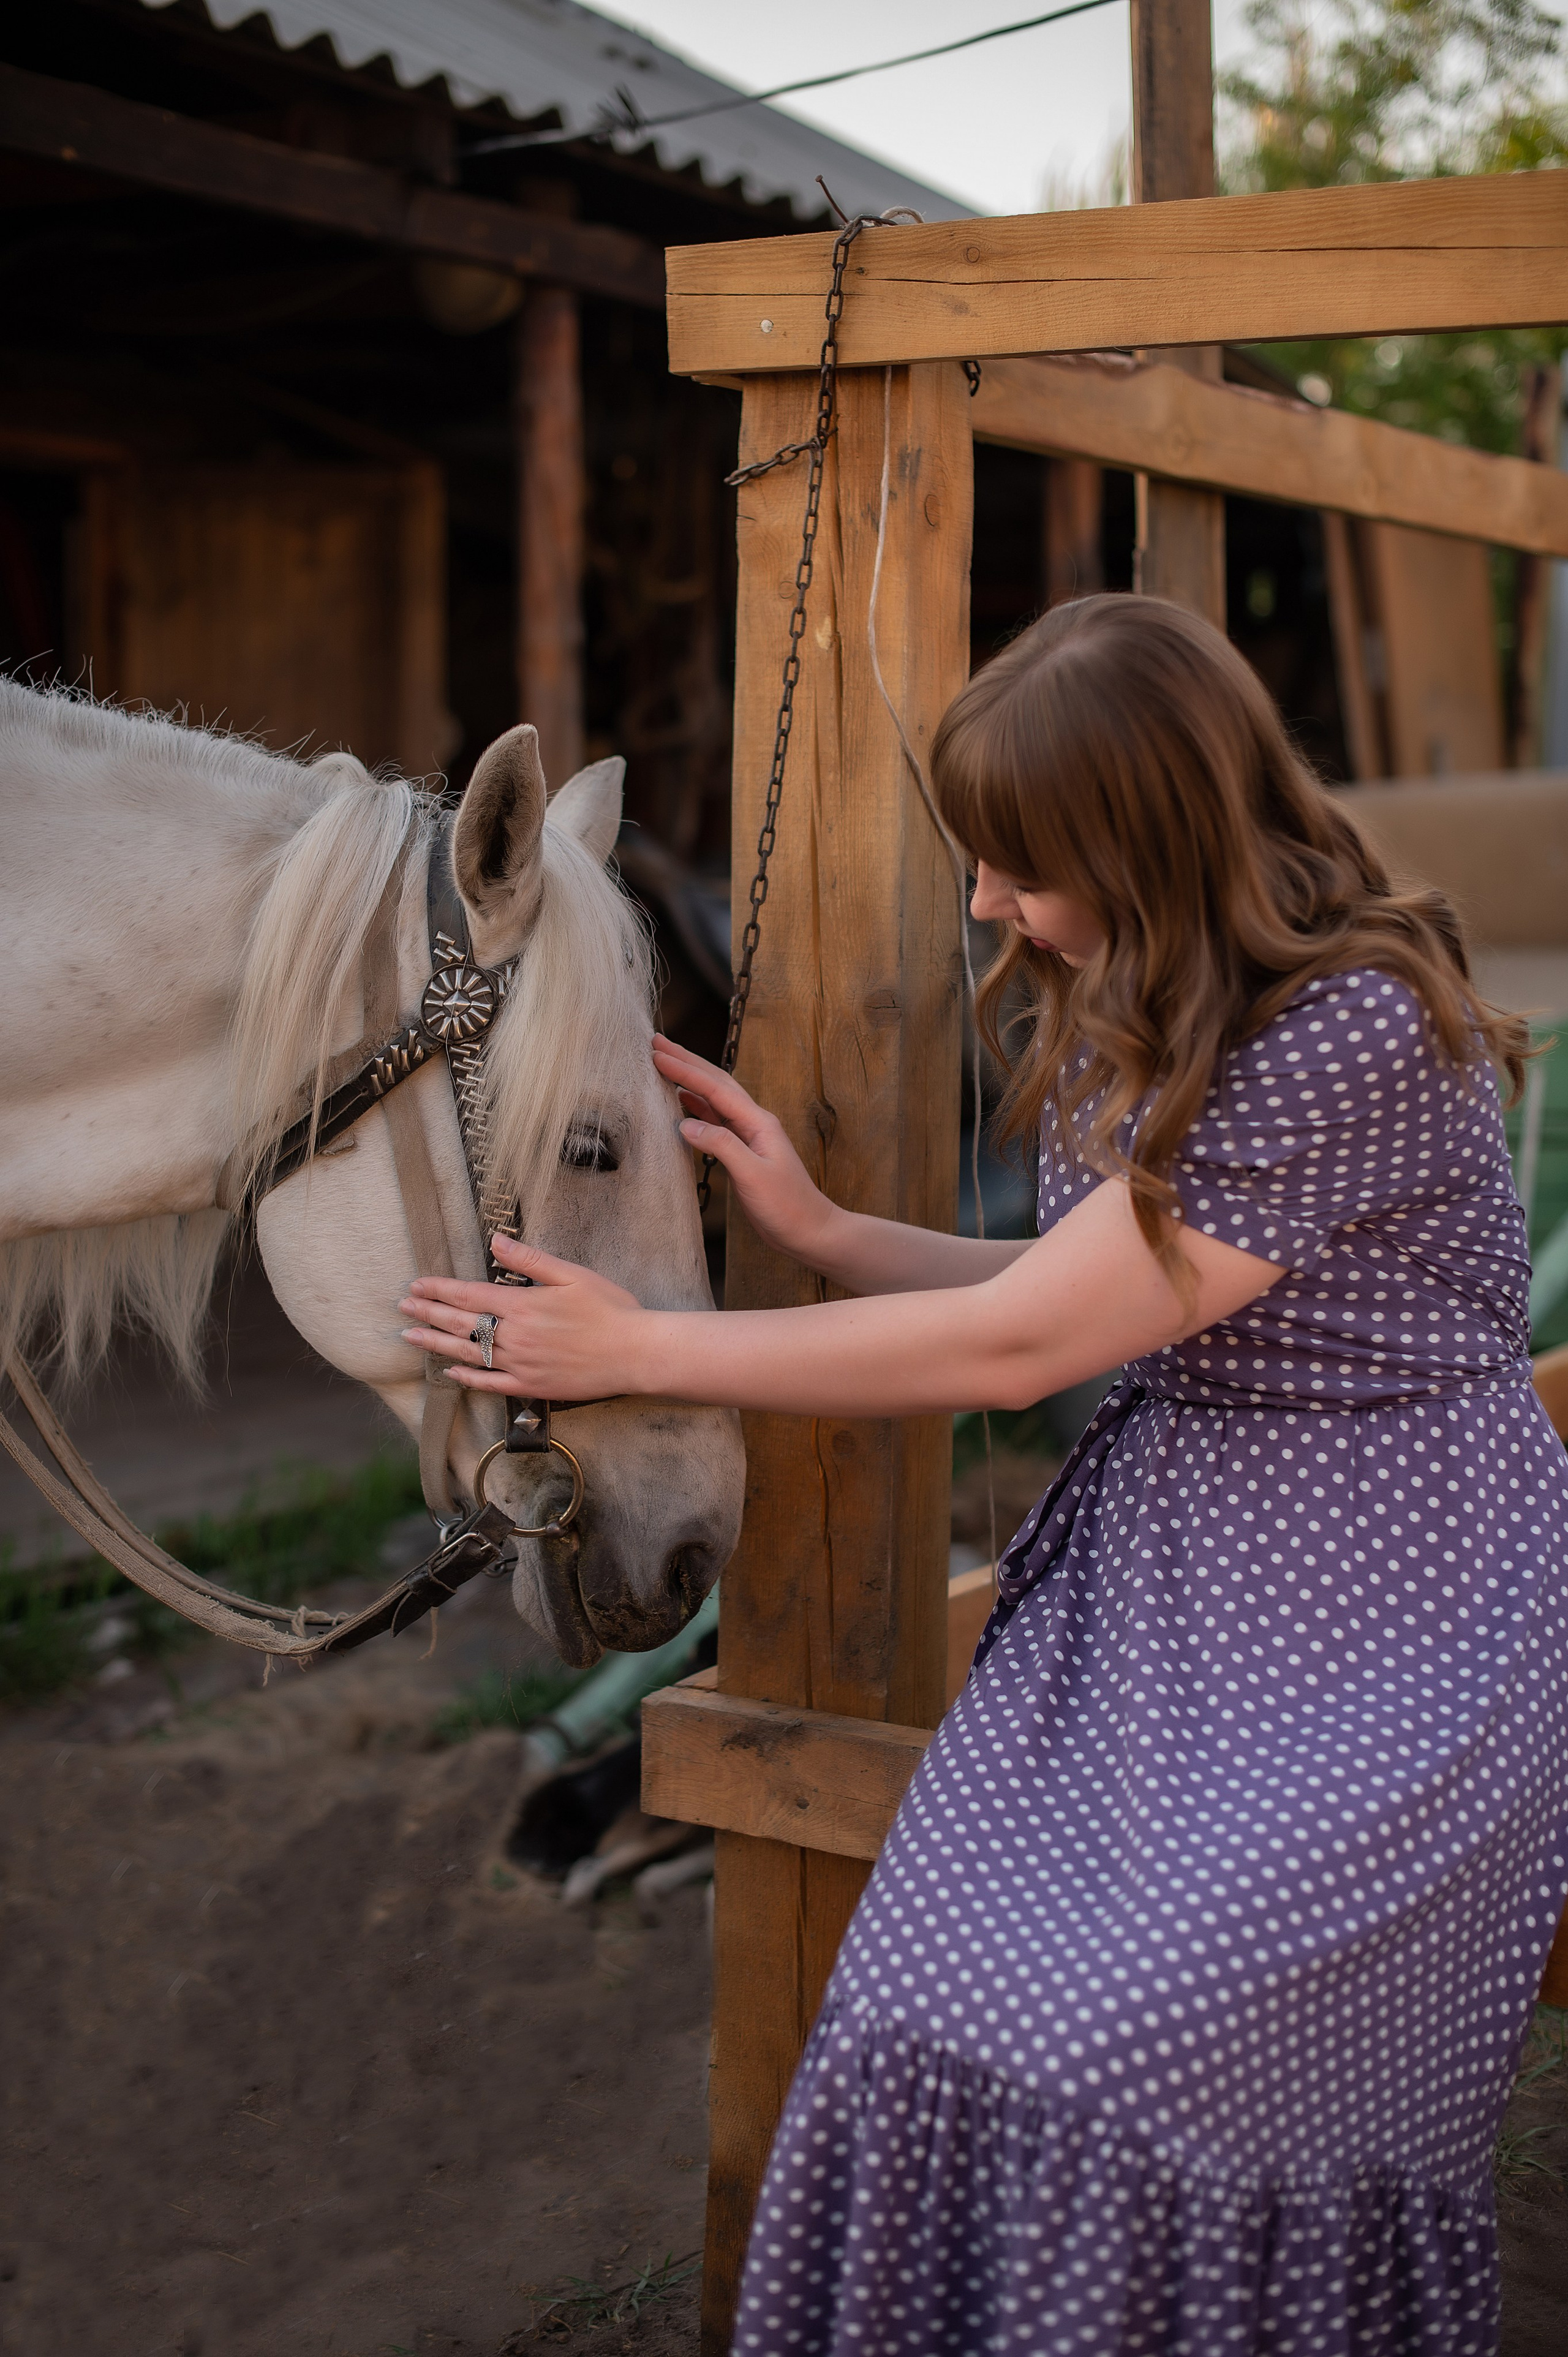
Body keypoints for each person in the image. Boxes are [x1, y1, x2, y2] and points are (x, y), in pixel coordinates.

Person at [401, 594, 1568, 2355]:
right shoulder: (1142, 993)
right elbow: (1084, 1302)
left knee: (1139, 2055)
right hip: (1189, 1602)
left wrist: (641, 1351)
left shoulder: (1351, 1031)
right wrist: (832, 1230)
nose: (981, 904)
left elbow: (1033, 1348)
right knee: (925, 2003)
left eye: (1017, 864)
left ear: (1144, 840)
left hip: (1390, 1612)